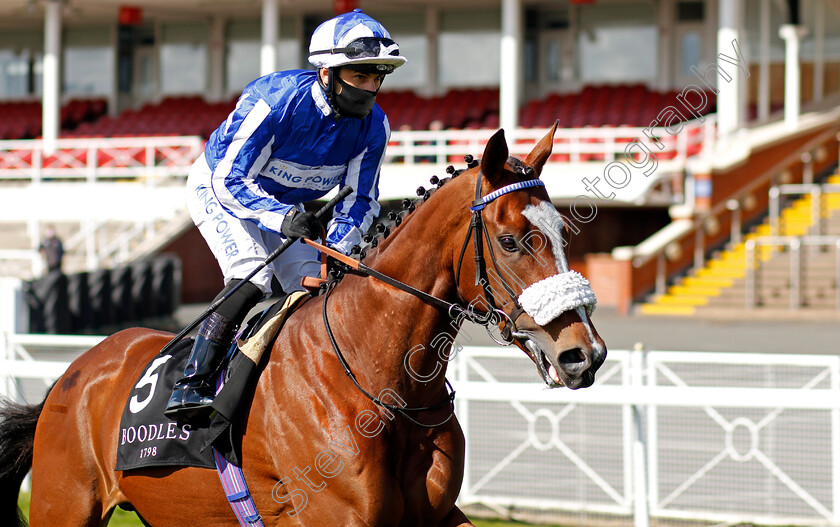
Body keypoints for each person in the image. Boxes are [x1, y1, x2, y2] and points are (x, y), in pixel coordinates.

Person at [165, 9, 407, 422]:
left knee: (319, 288)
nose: (369, 89)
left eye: (376, 78)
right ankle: (191, 384)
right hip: (221, 188)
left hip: (283, 207)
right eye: (359, 76)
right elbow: (229, 179)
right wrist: (280, 217)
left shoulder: (374, 127)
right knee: (252, 274)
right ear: (327, 73)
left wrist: (338, 250)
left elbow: (361, 201)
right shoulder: (274, 101)